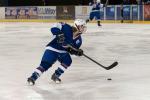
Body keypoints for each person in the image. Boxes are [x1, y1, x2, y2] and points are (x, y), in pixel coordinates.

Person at [27, 19, 87, 85]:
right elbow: (54, 28)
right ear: (76, 26)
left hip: (63, 51)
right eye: (82, 26)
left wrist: (77, 52)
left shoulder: (79, 40)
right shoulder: (66, 27)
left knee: (68, 61)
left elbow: (71, 50)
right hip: (53, 48)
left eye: (84, 27)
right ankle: (33, 77)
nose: (83, 28)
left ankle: (55, 75)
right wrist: (59, 33)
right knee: (45, 64)